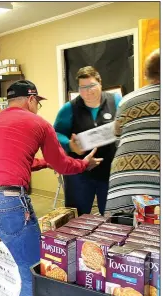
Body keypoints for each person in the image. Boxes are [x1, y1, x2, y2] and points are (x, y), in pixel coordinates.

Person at [0, 80, 103, 296]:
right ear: (31, 99)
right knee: (32, 270)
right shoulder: (39, 124)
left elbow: (7, 161)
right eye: (38, 102)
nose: (38, 107)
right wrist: (84, 164)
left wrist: (43, 162)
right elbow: (63, 165)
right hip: (8, 202)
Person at [54, 66, 121, 215]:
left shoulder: (115, 100)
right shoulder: (69, 108)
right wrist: (69, 145)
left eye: (91, 86)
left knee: (112, 217)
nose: (87, 91)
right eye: (82, 88)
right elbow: (56, 133)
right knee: (77, 216)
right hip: (79, 172)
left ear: (100, 83)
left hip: (110, 171)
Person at [106, 49, 160, 214]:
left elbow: (117, 138)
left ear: (146, 74)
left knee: (120, 233)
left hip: (123, 186)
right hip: (155, 188)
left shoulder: (126, 100)